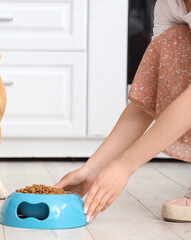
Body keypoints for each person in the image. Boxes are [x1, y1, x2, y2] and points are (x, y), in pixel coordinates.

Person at [54, 0, 191, 223]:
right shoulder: (169, 4)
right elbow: (147, 99)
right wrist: (92, 169)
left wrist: (123, 166)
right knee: (173, 42)